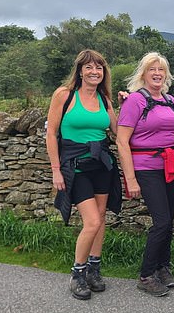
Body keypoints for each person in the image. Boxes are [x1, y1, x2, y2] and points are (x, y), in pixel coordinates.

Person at [46, 49, 121, 300]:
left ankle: (94, 269)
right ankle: (77, 273)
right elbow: (51, 134)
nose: (94, 72)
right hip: (75, 168)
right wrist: (56, 170)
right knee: (91, 221)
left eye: (99, 67)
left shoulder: (104, 99)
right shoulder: (64, 95)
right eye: (89, 67)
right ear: (79, 70)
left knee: (101, 217)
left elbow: (118, 131)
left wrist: (130, 103)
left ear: (104, 72)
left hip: (101, 166)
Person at [116, 52, 174, 297]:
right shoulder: (134, 101)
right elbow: (122, 141)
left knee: (169, 219)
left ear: (166, 74)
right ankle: (146, 275)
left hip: (170, 167)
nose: (157, 73)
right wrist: (130, 178)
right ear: (142, 73)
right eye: (152, 69)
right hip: (146, 167)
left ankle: (163, 267)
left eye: (161, 70)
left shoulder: (170, 100)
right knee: (162, 221)